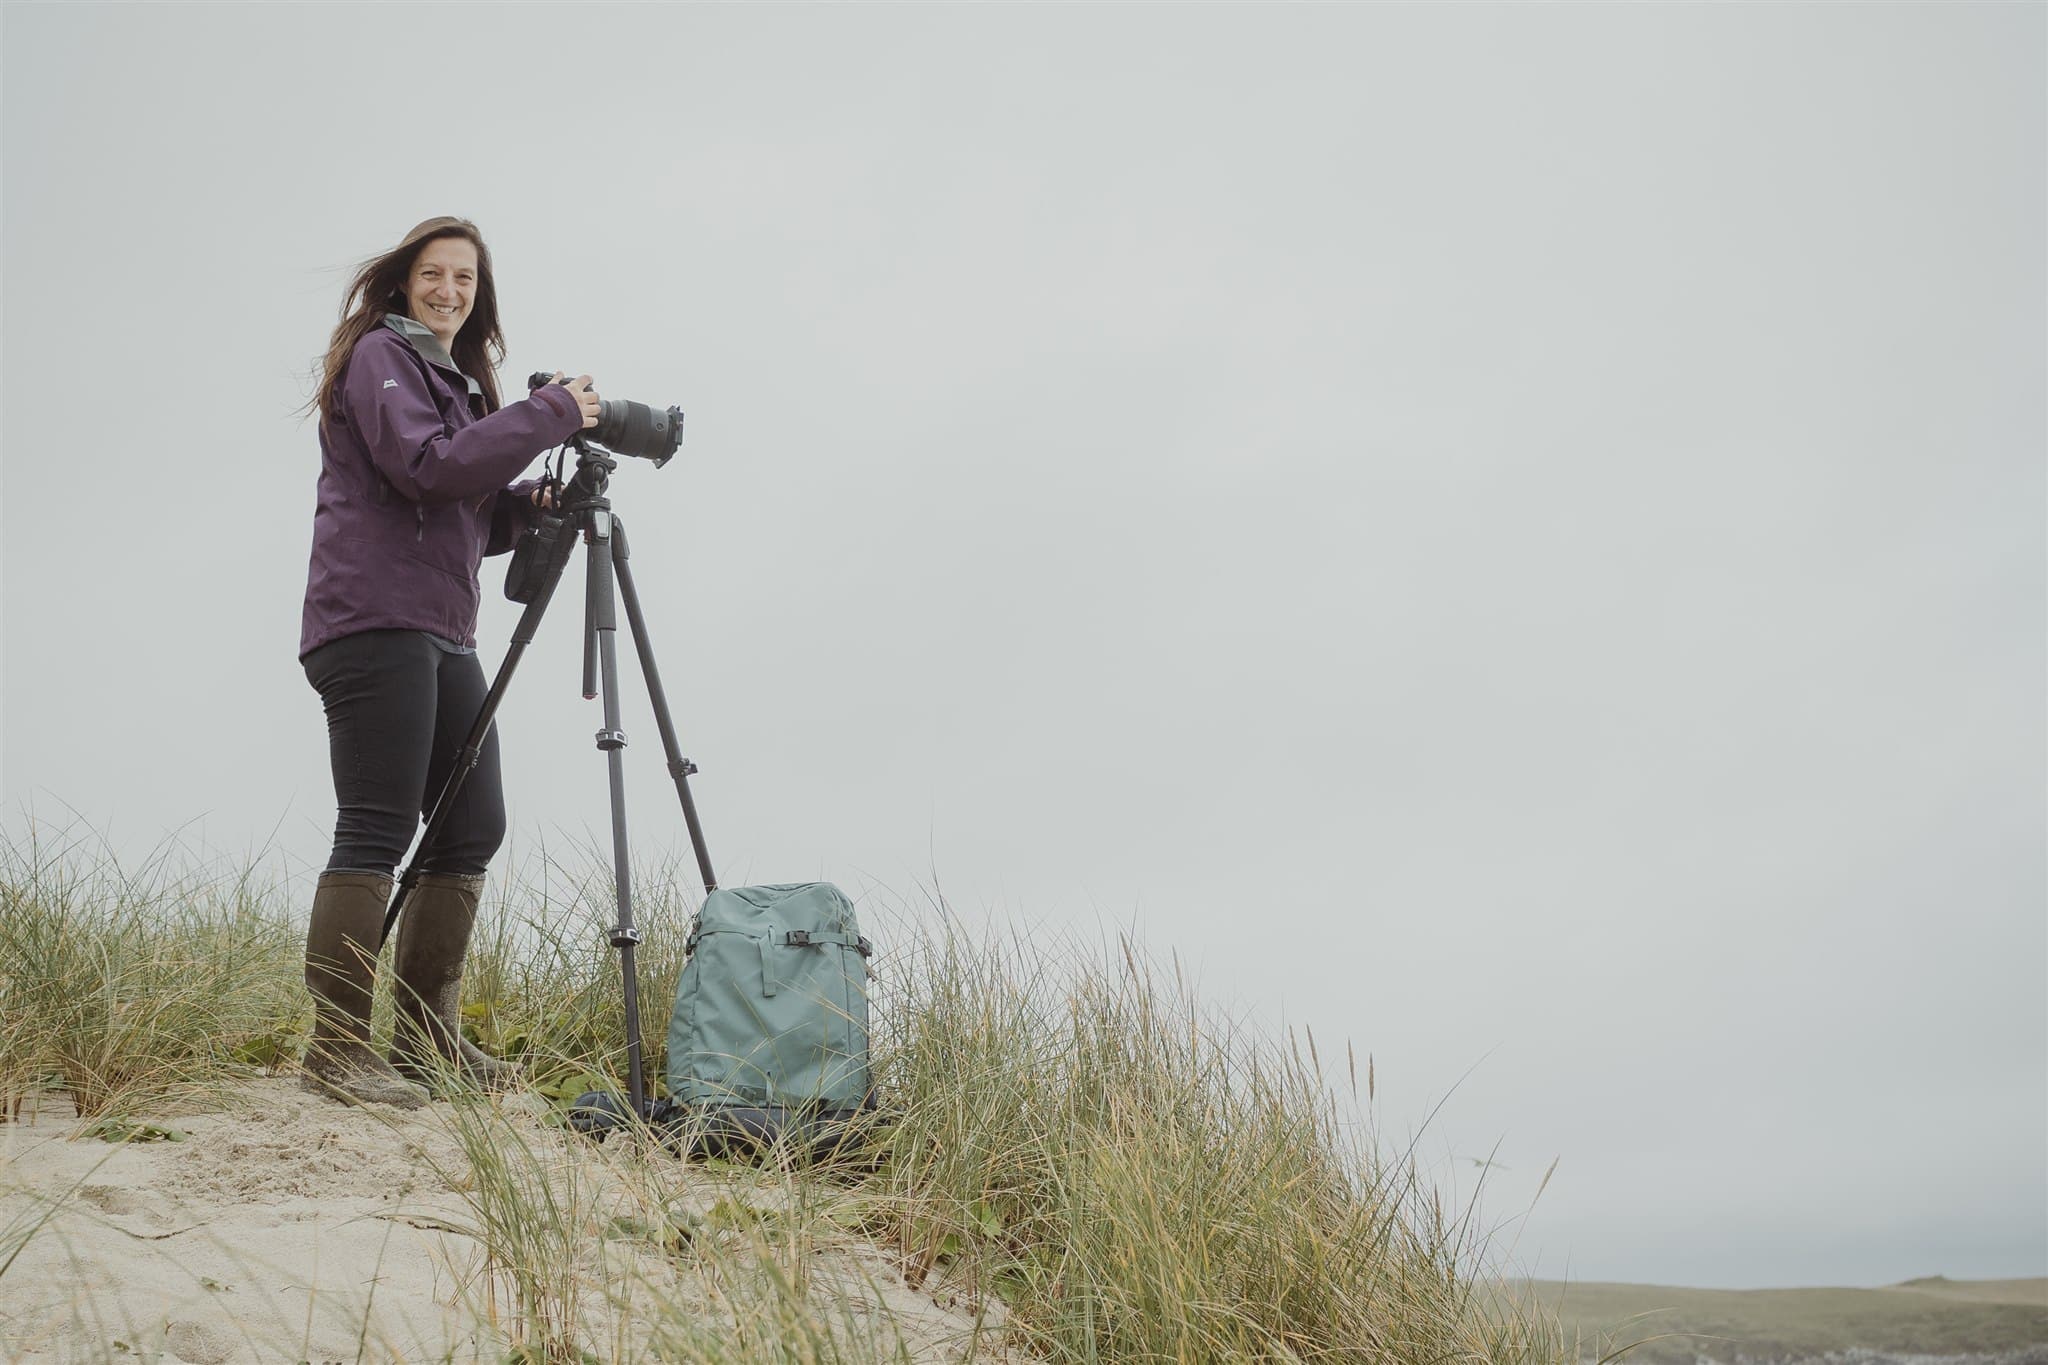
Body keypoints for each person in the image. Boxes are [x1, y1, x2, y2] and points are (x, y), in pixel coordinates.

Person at [297, 216, 598, 1108]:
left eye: (465, 279)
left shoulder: (457, 381)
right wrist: (548, 415)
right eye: (434, 274)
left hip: (439, 626)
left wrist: (529, 501)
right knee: (378, 829)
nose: (450, 290)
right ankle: (338, 1052)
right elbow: (428, 470)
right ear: (402, 284)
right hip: (372, 620)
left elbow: (462, 508)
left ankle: (428, 1044)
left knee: (471, 825)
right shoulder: (380, 359)